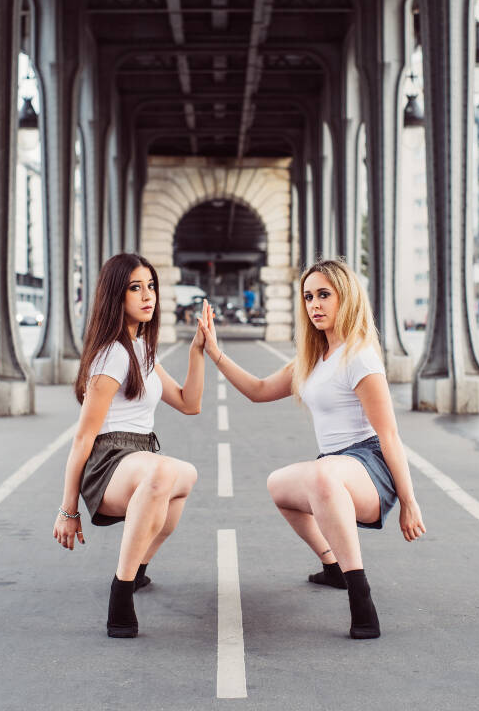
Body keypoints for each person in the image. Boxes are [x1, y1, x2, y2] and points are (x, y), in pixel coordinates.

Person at [198, 259, 425, 639]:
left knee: (322, 474)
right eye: (308, 297)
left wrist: (409, 501)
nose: (315, 305)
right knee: (279, 485)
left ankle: (360, 596)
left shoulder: (360, 357)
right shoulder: (310, 359)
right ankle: (332, 565)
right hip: (333, 469)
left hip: (369, 467)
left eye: (324, 295)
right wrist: (216, 352)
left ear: (346, 298)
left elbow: (389, 434)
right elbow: (258, 391)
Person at [53, 252, 208, 639]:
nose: (147, 295)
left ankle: (138, 569)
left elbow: (190, 404)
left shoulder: (143, 351)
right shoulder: (112, 355)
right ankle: (120, 592)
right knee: (162, 472)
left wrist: (197, 351)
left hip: (139, 456)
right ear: (115, 296)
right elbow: (84, 437)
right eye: (135, 288)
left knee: (184, 475)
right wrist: (67, 510)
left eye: (151, 286)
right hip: (107, 463)